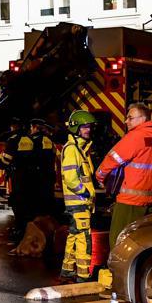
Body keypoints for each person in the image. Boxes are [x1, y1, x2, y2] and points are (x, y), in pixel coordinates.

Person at [96, 103, 152, 248]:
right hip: (149, 199)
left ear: (142, 119)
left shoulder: (135, 136)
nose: (126, 121)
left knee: (119, 241)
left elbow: (112, 158)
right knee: (140, 241)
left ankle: (116, 270)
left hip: (129, 200)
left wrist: (100, 177)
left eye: (130, 118)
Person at [59, 110, 97, 283]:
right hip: (79, 201)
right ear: (76, 129)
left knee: (74, 236)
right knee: (83, 239)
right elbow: (71, 178)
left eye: (89, 127)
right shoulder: (73, 149)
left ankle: (67, 270)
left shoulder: (79, 149)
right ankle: (82, 274)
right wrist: (85, 192)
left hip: (78, 202)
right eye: (85, 127)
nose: (88, 130)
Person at [0, 117, 36, 238]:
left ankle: (19, 229)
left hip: (17, 176)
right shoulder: (30, 139)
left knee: (17, 203)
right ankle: (27, 228)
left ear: (13, 126)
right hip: (30, 176)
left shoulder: (13, 140)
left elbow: (6, 160)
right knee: (27, 203)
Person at [30, 118, 58, 217]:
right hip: (49, 174)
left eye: (31, 127)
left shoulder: (32, 140)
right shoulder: (49, 140)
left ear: (35, 128)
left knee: (37, 202)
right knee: (48, 199)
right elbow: (53, 154)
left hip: (37, 175)